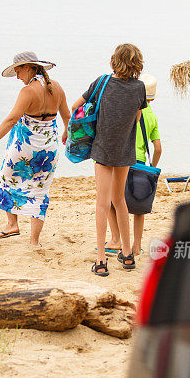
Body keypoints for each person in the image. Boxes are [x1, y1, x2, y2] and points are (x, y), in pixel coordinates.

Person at [0, 51, 71, 247]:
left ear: (28, 67)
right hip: (49, 149)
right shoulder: (57, 87)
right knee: (40, 191)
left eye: (18, 71)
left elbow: (12, 120)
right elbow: (67, 118)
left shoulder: (28, 91)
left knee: (6, 178)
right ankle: (34, 242)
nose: (18, 77)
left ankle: (12, 224)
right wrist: (66, 134)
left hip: (26, 147)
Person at [73, 44, 147, 276]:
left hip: (103, 150)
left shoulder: (102, 82)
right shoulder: (139, 88)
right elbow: (137, 117)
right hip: (125, 152)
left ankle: (101, 259)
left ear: (114, 61)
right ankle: (127, 255)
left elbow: (77, 106)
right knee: (120, 201)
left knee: (102, 203)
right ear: (137, 63)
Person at [106, 72, 162, 257]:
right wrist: (151, 166)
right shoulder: (153, 117)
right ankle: (137, 245)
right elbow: (158, 148)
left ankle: (116, 239)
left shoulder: (129, 109)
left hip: (122, 159)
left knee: (113, 200)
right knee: (139, 205)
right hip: (140, 163)